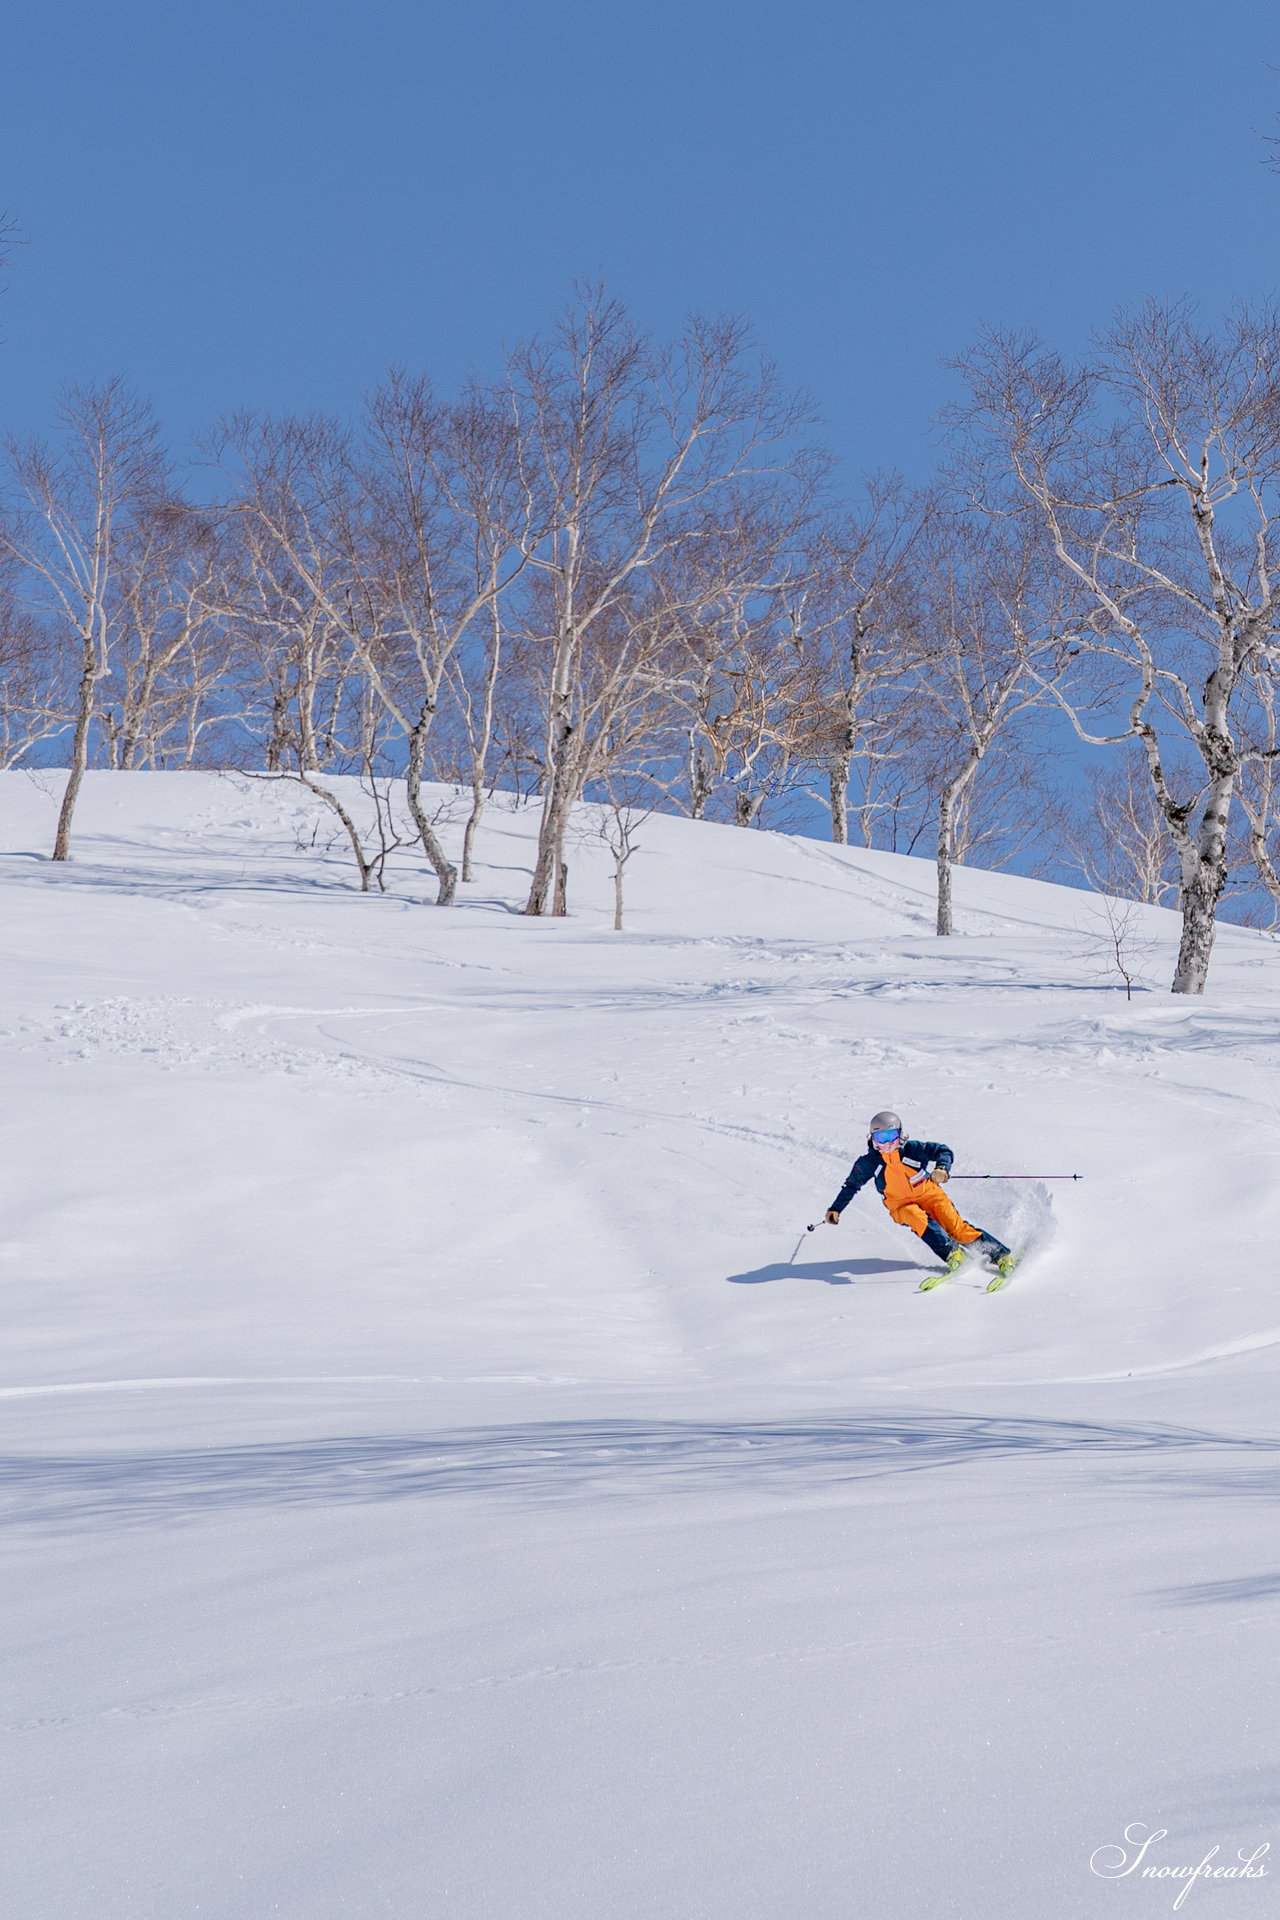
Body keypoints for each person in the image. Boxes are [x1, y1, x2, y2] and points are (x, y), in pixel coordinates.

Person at [824, 1110, 1015, 1280]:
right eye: (880, 1138)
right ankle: (953, 1255)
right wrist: (835, 1208)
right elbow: (851, 1186)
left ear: (899, 1134)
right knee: (916, 1217)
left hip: (929, 1194)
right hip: (900, 1206)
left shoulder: (913, 1149)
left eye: (891, 1136)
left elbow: (943, 1151)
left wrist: (942, 1168)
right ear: (872, 1139)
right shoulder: (869, 1162)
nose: (887, 1143)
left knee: (957, 1229)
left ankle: (1001, 1256)